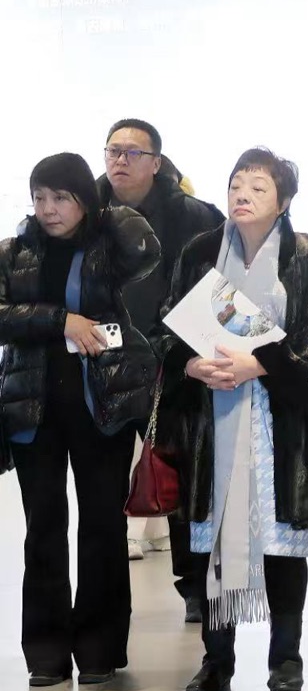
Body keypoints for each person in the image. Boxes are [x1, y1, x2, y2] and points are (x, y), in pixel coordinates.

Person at [156, 148, 308, 691]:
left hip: (280, 421)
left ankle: (285, 657)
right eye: (236, 185)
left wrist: (261, 363)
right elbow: (169, 328)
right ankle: (216, 659)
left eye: (258, 187)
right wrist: (191, 365)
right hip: (212, 418)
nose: (242, 195)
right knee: (211, 542)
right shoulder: (201, 252)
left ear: (284, 201)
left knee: (282, 543)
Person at [0, 153, 160, 687]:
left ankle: (98, 649)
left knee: (103, 526)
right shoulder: (13, 252)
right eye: (40, 198)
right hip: (34, 410)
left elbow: (148, 254)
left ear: (84, 201)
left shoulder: (109, 247)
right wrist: (59, 320)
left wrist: (110, 208)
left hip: (102, 407)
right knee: (43, 530)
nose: (48, 209)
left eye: (61, 198)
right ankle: (45, 653)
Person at [98, 119, 224, 619]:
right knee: (104, 484)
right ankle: (106, 597)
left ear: (156, 162)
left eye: (132, 152)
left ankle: (195, 587)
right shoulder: (87, 211)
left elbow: (220, 291)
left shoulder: (196, 217)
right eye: (113, 150)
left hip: (175, 364)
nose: (120, 160)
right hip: (103, 366)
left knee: (181, 477)